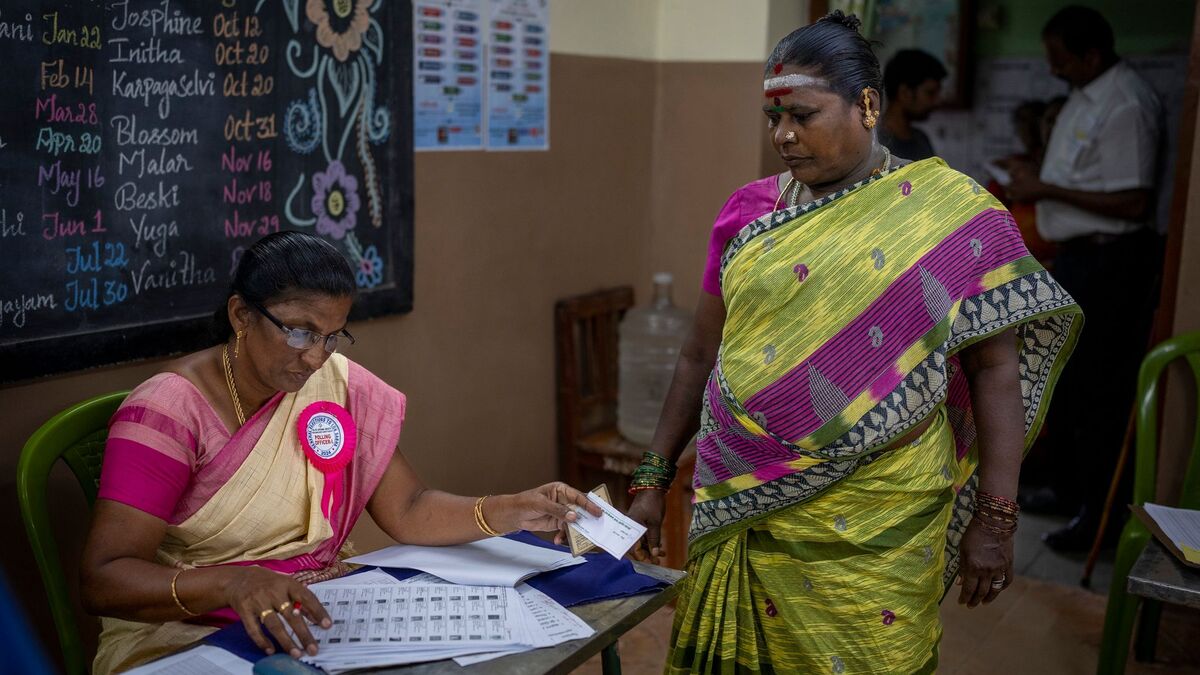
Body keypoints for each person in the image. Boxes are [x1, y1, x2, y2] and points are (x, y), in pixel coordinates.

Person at [623, 12, 1081, 673]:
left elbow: (996, 370)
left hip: (882, 520)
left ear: (868, 105)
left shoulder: (948, 215)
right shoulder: (749, 214)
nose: (783, 136)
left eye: (803, 115)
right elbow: (700, 352)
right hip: (744, 505)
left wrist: (997, 515)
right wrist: (653, 474)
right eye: (772, 119)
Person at [80, 232, 600, 674]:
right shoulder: (171, 408)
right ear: (242, 314)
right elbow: (105, 579)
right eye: (299, 331)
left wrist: (510, 509)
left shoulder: (335, 385)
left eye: (331, 337)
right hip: (186, 632)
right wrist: (233, 582)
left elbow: (410, 508)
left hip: (321, 611)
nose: (314, 357)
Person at [1005, 5, 1163, 550]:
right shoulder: (1085, 95)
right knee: (1068, 380)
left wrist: (1045, 192)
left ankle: (1100, 518)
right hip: (1075, 258)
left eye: (1060, 59)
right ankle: (1069, 492)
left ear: (1091, 54)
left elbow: (1132, 198)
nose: (1053, 70)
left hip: (1111, 262)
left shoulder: (1126, 104)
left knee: (1099, 389)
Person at [878, 48, 947, 161]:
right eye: (930, 93)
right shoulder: (875, 144)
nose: (937, 101)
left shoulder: (921, 140)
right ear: (905, 93)